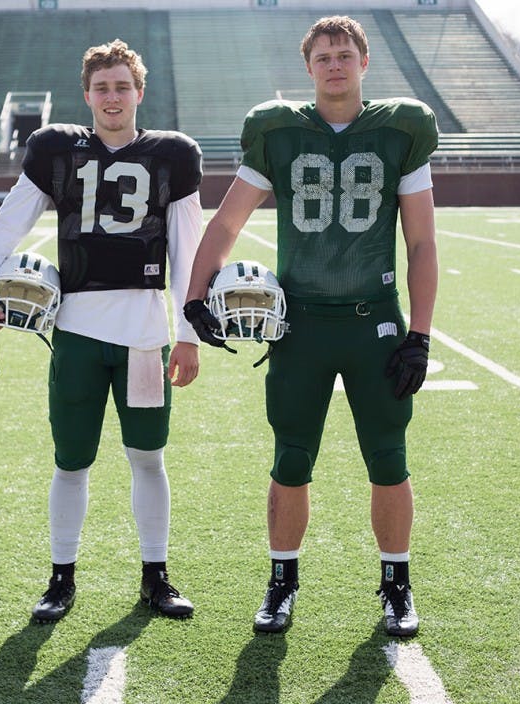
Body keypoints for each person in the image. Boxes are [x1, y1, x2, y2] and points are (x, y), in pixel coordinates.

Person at [183, 15, 438, 638]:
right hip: (299, 326)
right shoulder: (279, 132)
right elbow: (225, 223)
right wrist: (193, 299)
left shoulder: (399, 131)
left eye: (344, 54)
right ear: (308, 67)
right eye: (323, 56)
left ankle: (397, 584)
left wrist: (421, 334)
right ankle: (281, 581)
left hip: (374, 322)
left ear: (364, 62)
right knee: (291, 457)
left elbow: (422, 242)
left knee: (389, 457)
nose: (334, 65)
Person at [0, 39, 203, 622]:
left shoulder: (172, 155)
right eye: (102, 88)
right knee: (71, 461)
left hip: (144, 335)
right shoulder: (58, 150)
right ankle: (61, 578)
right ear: (87, 95)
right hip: (75, 330)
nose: (112, 97)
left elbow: (187, 250)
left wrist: (189, 332)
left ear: (139, 92)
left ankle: (155, 575)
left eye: (122, 86)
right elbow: (10, 222)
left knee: (148, 457)